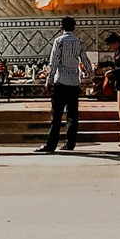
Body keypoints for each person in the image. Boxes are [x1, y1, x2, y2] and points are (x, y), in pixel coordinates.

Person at [35, 17, 94, 153]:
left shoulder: (59, 41)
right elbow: (85, 59)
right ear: (74, 28)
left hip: (61, 81)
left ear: (62, 27)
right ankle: (70, 143)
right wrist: (91, 75)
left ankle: (51, 145)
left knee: (56, 116)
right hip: (74, 82)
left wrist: (48, 80)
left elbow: (54, 62)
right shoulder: (79, 41)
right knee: (72, 114)